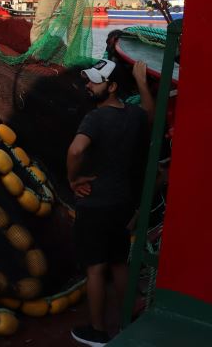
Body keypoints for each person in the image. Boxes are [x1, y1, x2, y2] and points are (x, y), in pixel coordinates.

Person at [67, 59, 154, 347]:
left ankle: (98, 331)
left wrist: (73, 179)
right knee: (118, 262)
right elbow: (151, 117)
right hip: (122, 203)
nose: (88, 86)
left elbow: (76, 149)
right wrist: (142, 84)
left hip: (95, 203)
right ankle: (129, 322)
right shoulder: (133, 115)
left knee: (95, 268)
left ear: (113, 87)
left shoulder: (95, 117)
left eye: (95, 82)